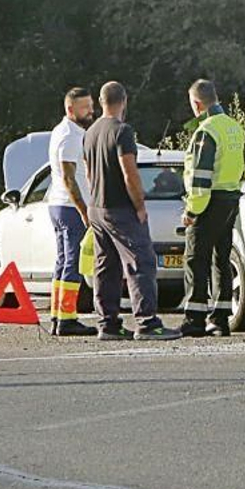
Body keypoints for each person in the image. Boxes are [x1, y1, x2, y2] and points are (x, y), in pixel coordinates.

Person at [83, 81, 179, 342]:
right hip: (120, 208)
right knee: (141, 262)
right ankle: (147, 323)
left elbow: (89, 174)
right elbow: (130, 172)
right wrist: (140, 206)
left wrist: (96, 198)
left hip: (97, 207)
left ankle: (108, 323)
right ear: (124, 101)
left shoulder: (90, 133)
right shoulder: (122, 131)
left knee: (106, 266)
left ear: (101, 102)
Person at [178, 79, 245, 337]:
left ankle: (194, 319)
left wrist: (192, 211)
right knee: (221, 258)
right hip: (230, 198)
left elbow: (200, 177)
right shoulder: (234, 127)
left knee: (196, 259)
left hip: (209, 201)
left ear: (197, 104)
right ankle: (220, 319)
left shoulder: (206, 131)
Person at [45, 86, 97, 336]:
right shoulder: (70, 135)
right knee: (72, 263)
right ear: (70, 109)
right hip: (69, 206)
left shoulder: (65, 131)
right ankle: (67, 318)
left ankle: (58, 315)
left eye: (91, 106)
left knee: (63, 261)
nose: (90, 111)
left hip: (60, 204)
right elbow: (68, 178)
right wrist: (83, 210)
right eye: (85, 107)